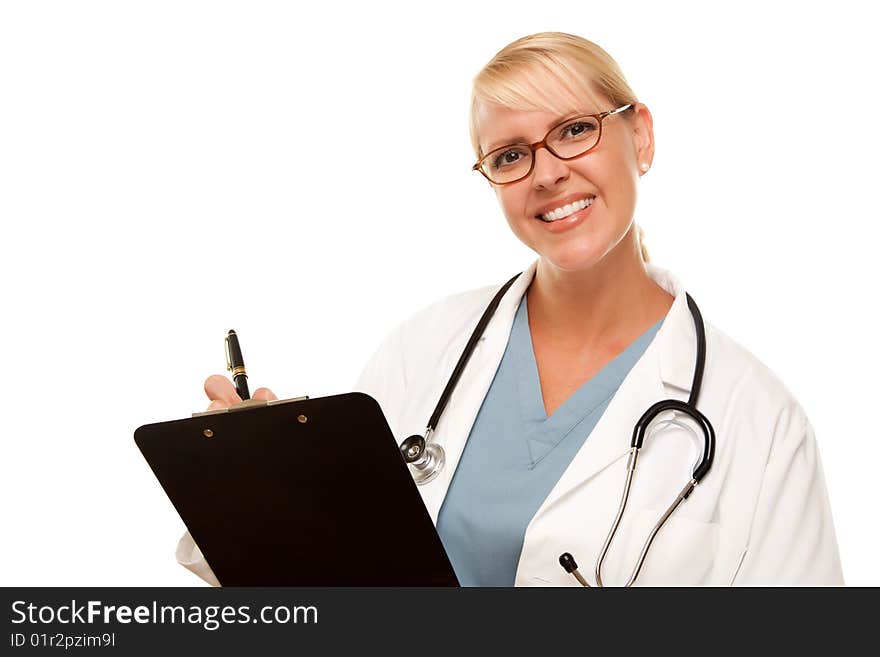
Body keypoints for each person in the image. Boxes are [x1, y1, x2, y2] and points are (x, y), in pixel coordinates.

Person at [176, 32, 843, 586]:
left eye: (576, 129)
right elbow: (323, 576)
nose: (547, 172)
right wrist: (246, 481)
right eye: (511, 155)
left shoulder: (759, 420)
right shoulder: (427, 347)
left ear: (640, 135)